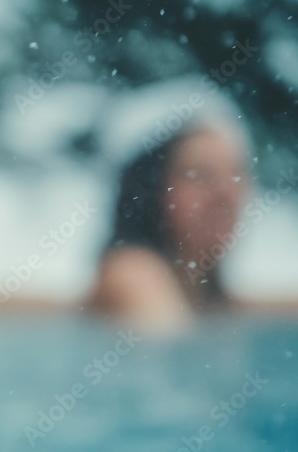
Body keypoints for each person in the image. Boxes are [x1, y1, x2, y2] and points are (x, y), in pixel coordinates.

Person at [89, 115, 254, 332]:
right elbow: (173, 354)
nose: (225, 193)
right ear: (153, 190)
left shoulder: (204, 289)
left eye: (235, 174)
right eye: (200, 175)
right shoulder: (132, 272)